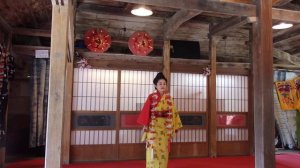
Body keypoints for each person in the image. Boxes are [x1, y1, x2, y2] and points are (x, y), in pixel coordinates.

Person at [137, 72, 182, 168]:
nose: (162, 86)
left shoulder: (169, 98)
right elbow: (146, 112)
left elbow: (174, 113)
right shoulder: (151, 97)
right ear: (156, 85)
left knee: (163, 151)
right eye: (160, 84)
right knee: (152, 150)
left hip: (165, 128)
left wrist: (175, 126)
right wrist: (146, 124)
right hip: (153, 127)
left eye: (164, 84)